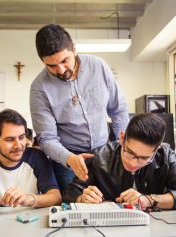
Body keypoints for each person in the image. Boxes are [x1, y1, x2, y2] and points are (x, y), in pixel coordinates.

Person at [30, 24, 129, 192]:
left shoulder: (98, 66)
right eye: (51, 66)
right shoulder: (39, 89)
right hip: (67, 159)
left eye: (64, 61)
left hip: (104, 151)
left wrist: (124, 144)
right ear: (43, 61)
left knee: (111, 200)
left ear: (74, 49)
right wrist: (69, 158)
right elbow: (46, 138)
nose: (60, 70)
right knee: (72, 207)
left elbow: (118, 109)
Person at [63, 113, 176, 210]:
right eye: (130, 153)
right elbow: (70, 191)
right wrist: (82, 198)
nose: (133, 163)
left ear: (157, 150)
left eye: (144, 158)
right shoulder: (99, 156)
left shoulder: (166, 155)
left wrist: (149, 200)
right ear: (122, 138)